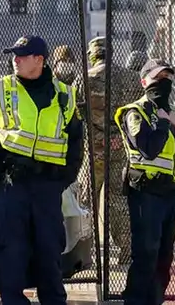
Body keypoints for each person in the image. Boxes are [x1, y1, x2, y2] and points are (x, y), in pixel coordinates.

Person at [0, 35, 84, 305]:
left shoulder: (64, 94)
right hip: (13, 184)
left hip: (47, 187)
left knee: (49, 251)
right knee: (12, 252)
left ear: (39, 60)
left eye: (22, 55)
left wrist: (65, 178)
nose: (15, 60)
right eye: (14, 55)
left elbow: (76, 141)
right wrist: (3, 149)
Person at [115, 59, 175, 305]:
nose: (164, 83)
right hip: (145, 194)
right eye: (158, 77)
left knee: (164, 258)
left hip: (168, 196)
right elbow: (149, 149)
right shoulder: (135, 112)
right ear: (144, 82)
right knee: (146, 255)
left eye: (168, 78)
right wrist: (163, 121)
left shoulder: (172, 116)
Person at [72, 36, 142, 264]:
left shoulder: (84, 79)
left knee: (86, 200)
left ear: (93, 54)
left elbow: (76, 112)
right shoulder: (131, 78)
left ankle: (85, 251)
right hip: (121, 146)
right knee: (119, 197)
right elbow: (137, 112)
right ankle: (127, 249)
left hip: (95, 148)